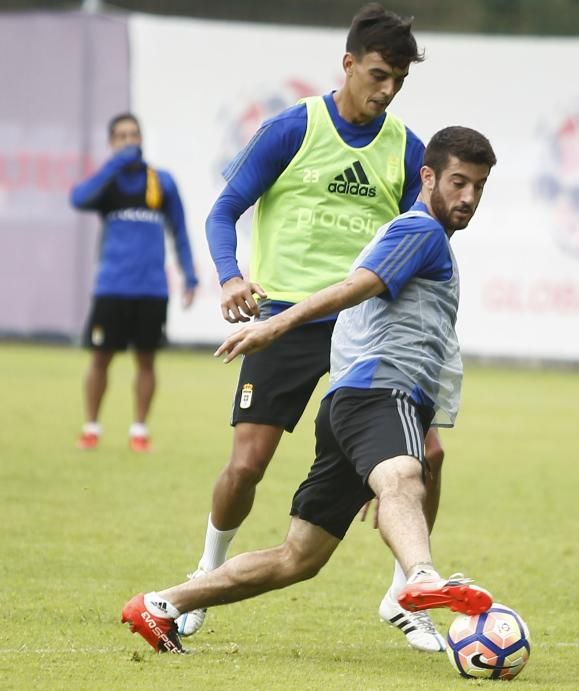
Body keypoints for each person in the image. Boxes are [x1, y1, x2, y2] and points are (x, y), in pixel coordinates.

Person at [121, 125, 498, 656]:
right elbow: (352, 288)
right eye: (459, 182)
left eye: (479, 187)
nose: (468, 197)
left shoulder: (422, 236)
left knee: (298, 557)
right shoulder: (421, 232)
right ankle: (416, 577)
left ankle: (162, 604)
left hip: (356, 401)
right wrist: (275, 327)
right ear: (428, 176)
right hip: (378, 393)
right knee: (402, 479)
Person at [185, 3, 450, 652]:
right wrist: (229, 276)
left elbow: (424, 235)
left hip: (369, 329)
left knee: (430, 456)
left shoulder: (406, 149)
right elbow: (223, 211)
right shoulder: (292, 128)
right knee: (247, 465)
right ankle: (207, 567)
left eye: (398, 82)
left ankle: (404, 592)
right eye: (379, 75)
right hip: (285, 321)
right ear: (349, 63)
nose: (386, 91)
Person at [70, 113, 198, 453]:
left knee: (146, 360)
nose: (129, 142)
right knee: (100, 358)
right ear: (112, 143)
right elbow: (78, 198)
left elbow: (180, 231)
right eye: (122, 137)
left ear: (142, 139)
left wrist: (190, 276)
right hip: (111, 286)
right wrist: (115, 165)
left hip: (152, 288)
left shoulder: (161, 181)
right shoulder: (107, 183)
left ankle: (139, 430)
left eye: (134, 135)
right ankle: (91, 428)